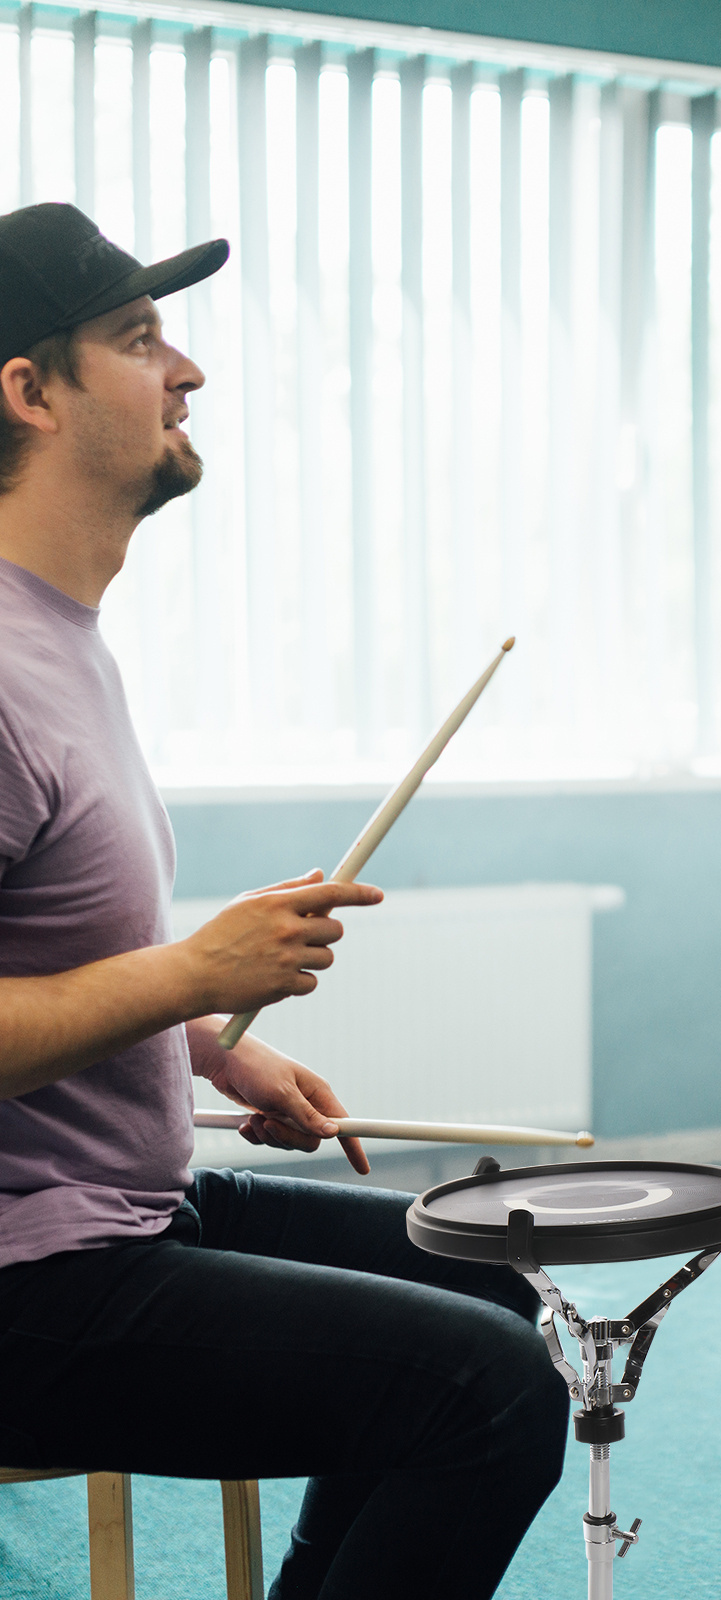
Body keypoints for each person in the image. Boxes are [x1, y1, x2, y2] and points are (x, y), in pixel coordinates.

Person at [0, 204, 566, 1600]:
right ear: (29, 391)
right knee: (489, 1393)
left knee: (492, 1273)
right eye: (138, 340)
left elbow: (45, 942)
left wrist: (203, 1039)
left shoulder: (64, 638)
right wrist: (195, 975)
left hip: (117, 1208)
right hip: (26, 1281)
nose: (186, 370)